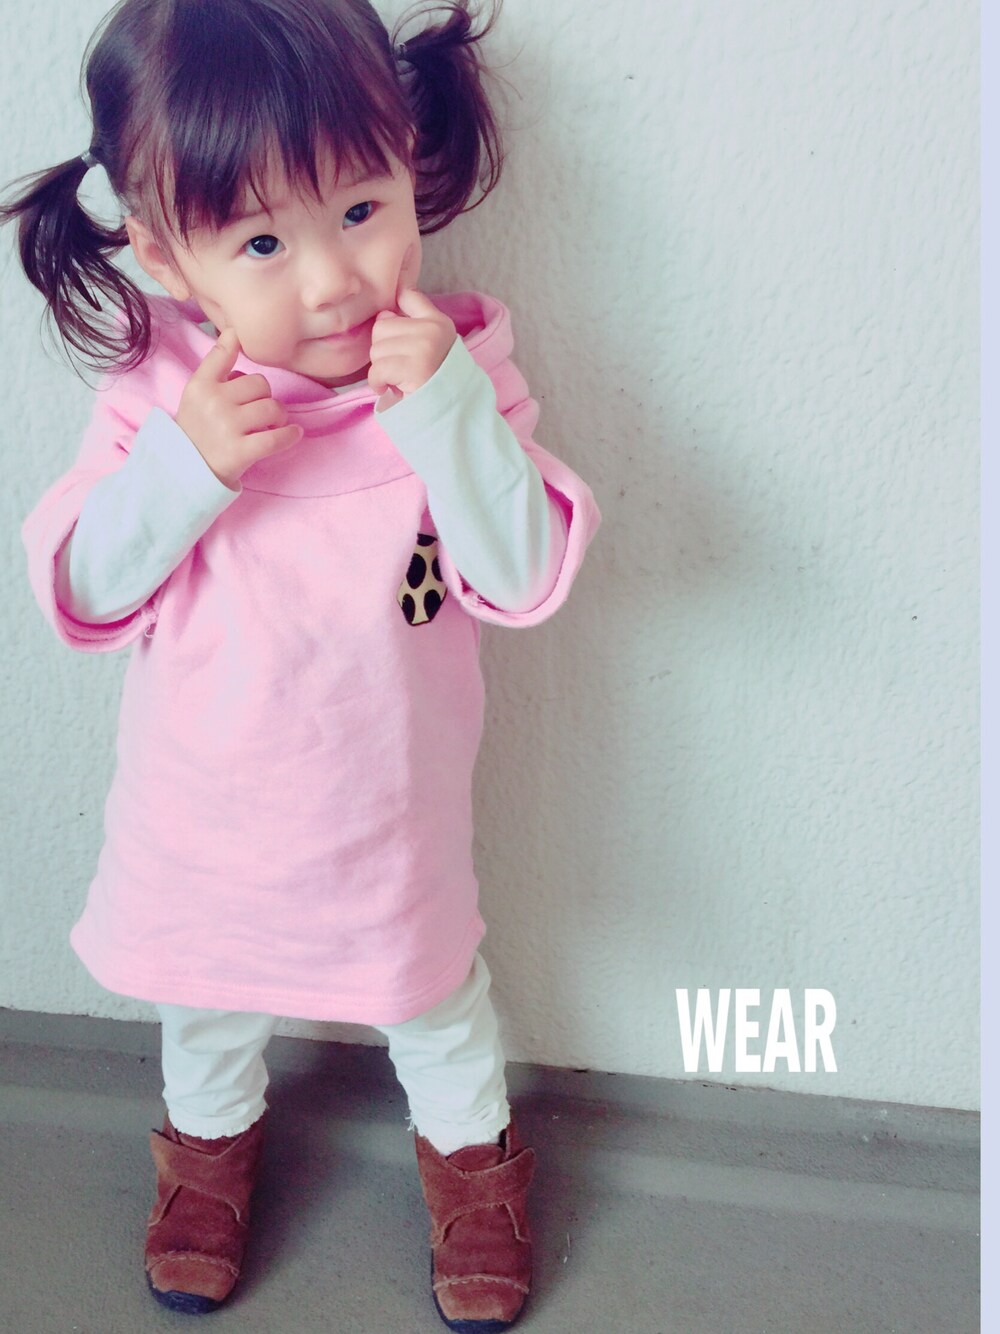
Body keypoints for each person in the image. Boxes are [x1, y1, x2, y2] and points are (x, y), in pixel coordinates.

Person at [2, 0, 600, 1326]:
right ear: (168, 258)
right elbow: (85, 592)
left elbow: (519, 576)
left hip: (391, 822)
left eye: (363, 209)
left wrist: (445, 413)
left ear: (409, 170)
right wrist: (185, 466)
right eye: (264, 241)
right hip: (203, 824)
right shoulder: (161, 400)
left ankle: (475, 1174)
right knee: (205, 1006)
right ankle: (206, 1161)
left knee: (436, 1000)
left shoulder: (456, 371)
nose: (332, 279)